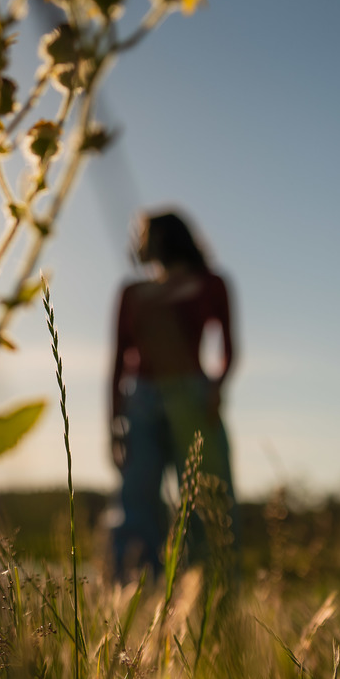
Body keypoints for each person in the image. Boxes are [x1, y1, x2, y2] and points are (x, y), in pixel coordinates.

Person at [109, 210, 237, 581]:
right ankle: (134, 595)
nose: (137, 242)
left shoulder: (212, 284)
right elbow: (118, 361)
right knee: (137, 498)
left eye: (143, 234)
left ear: (163, 238)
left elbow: (229, 347)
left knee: (206, 497)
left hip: (193, 398)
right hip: (141, 401)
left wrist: (217, 386)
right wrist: (112, 421)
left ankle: (212, 594)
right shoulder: (131, 292)